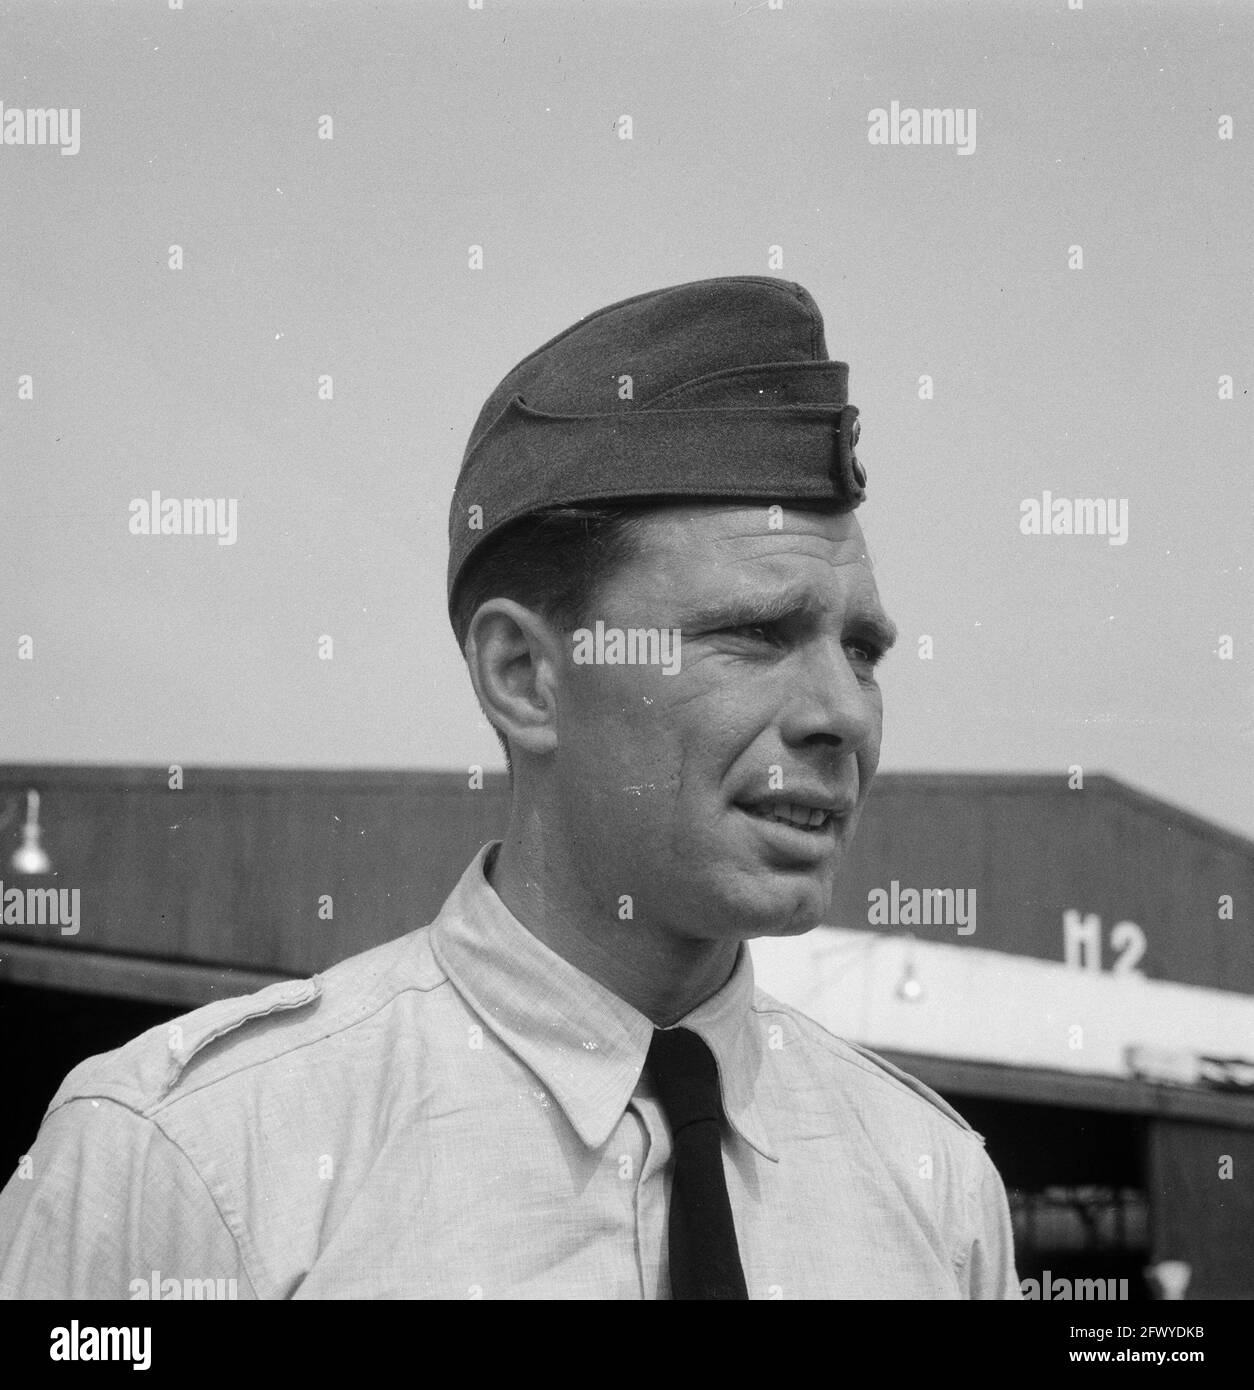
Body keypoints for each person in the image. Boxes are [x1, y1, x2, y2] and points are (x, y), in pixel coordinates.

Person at [0, 275, 1020, 1299]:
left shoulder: (935, 1193)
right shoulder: (193, 1160)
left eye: (863, 650)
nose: (841, 714)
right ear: (525, 677)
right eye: (754, 634)